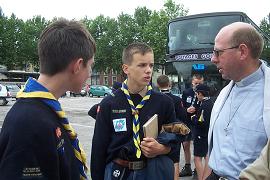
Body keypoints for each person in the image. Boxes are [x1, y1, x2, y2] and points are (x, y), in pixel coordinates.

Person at [0, 19, 96, 180]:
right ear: (78, 65)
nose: (90, 72)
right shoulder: (29, 122)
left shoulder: (43, 109)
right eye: (91, 65)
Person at [91, 42, 178, 180]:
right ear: (126, 69)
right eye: (142, 65)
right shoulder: (109, 103)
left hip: (152, 171)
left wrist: (161, 148)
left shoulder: (164, 102)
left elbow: (175, 142)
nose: (149, 70)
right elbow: (98, 149)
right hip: (119, 172)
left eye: (151, 65)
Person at [206, 22, 270, 180]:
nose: (213, 59)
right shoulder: (224, 93)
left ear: (242, 51)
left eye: (218, 52)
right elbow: (214, 146)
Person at [156, 74, 187, 180]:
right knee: (175, 161)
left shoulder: (154, 99)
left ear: (157, 85)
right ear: (169, 84)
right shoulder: (176, 99)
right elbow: (183, 116)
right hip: (173, 133)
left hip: (158, 134)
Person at [180, 74, 204, 177]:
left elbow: (205, 107)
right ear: (192, 83)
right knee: (185, 145)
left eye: (199, 83)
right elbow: (181, 107)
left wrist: (197, 111)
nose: (197, 85)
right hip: (187, 121)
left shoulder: (204, 93)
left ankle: (197, 169)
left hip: (197, 122)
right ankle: (187, 166)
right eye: (195, 83)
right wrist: (186, 110)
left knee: (197, 145)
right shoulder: (186, 92)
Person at [190, 84, 213, 180]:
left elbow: (201, 122)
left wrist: (193, 118)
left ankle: (201, 178)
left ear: (200, 94)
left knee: (197, 158)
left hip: (201, 135)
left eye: (197, 94)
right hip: (208, 134)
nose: (196, 96)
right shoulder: (210, 103)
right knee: (207, 157)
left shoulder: (204, 105)